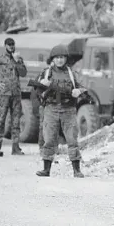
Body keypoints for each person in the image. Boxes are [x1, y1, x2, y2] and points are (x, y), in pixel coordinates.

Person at [35, 45, 87, 178]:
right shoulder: (46, 72)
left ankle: (76, 170)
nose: (59, 60)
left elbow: (83, 87)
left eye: (62, 57)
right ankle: (46, 169)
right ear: (53, 59)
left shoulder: (71, 73)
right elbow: (37, 90)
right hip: (51, 109)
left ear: (65, 58)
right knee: (49, 140)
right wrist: (42, 84)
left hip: (68, 109)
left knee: (72, 139)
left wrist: (78, 91)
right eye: (57, 58)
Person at [0, 38, 27, 155]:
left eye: (13, 44)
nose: (11, 47)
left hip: (16, 94)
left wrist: (17, 61)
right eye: (9, 45)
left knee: (16, 121)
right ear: (5, 46)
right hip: (3, 94)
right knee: (1, 120)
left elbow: (23, 73)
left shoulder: (18, 59)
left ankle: (15, 147)